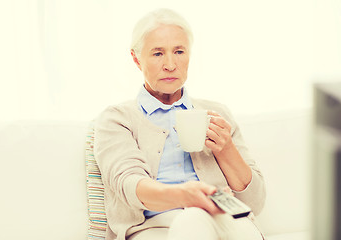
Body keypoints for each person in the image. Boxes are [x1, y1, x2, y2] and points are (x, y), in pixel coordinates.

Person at [94, 8, 266, 240]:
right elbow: (129, 185)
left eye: (179, 51)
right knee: (193, 220)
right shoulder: (117, 119)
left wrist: (226, 150)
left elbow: (254, 203)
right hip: (152, 228)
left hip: (223, 221)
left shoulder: (217, 114)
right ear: (136, 59)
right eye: (157, 54)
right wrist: (185, 196)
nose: (170, 64)